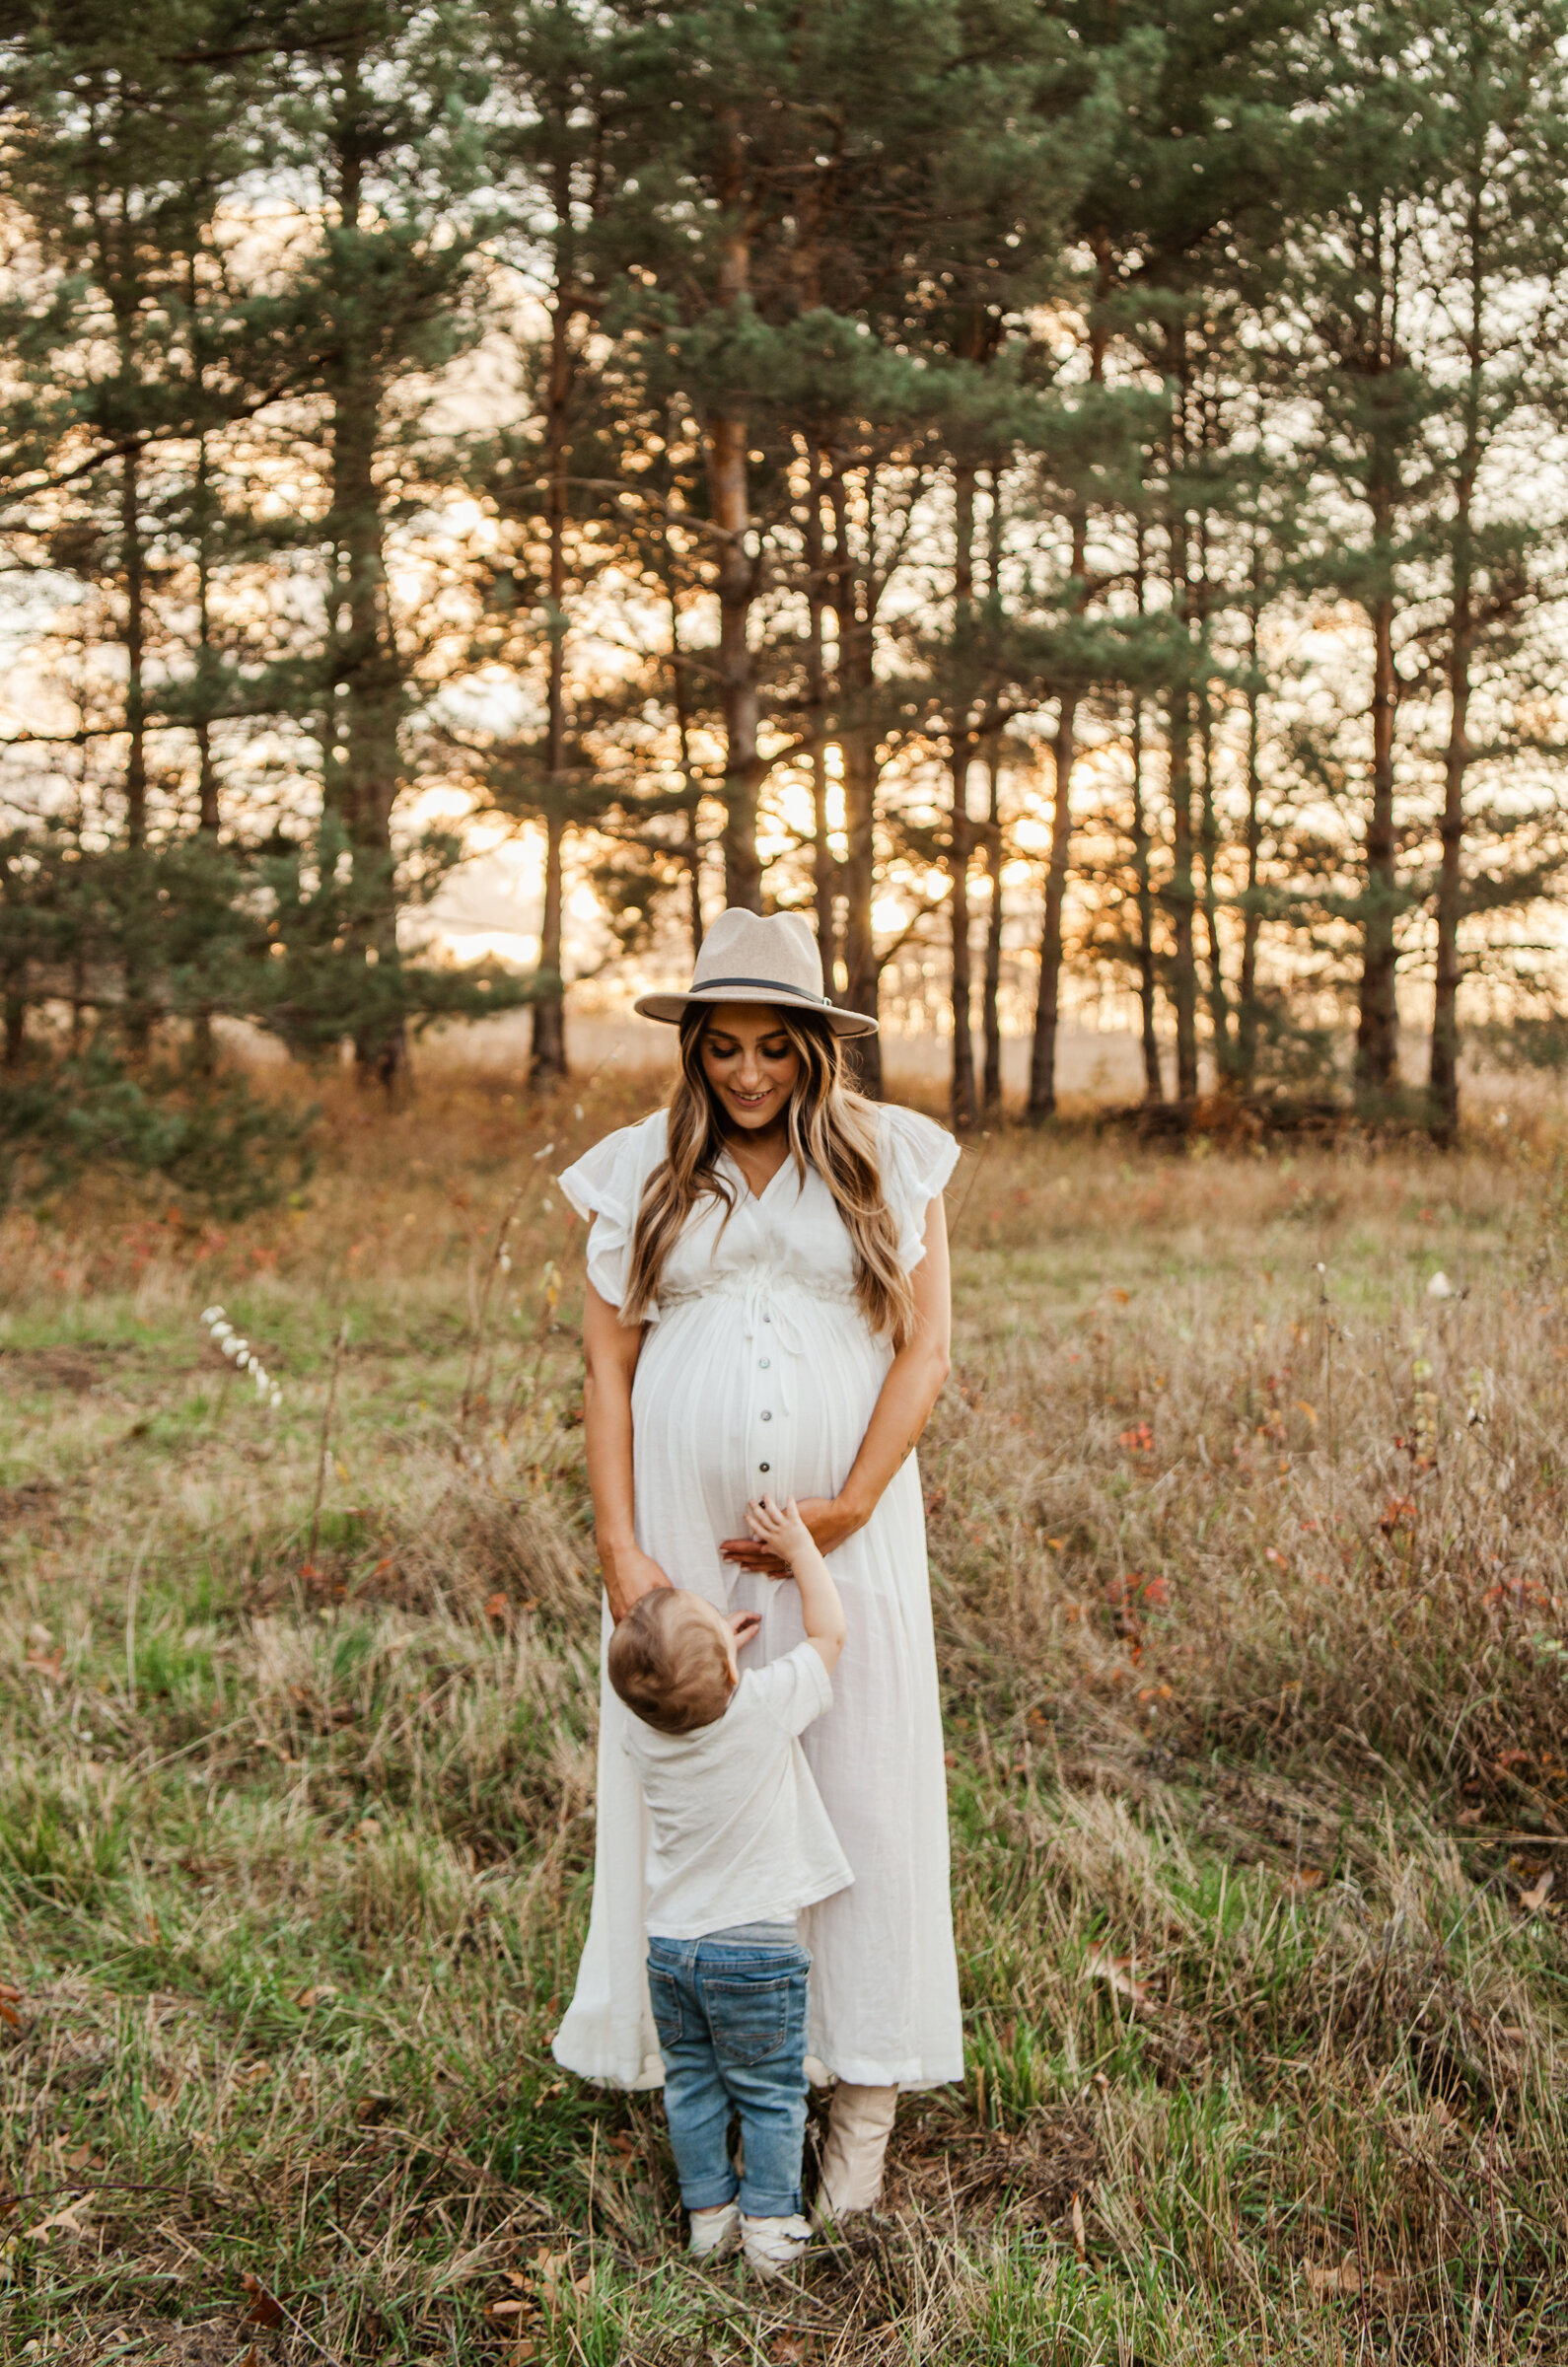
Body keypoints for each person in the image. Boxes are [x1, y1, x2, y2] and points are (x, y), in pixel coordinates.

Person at [554, 905, 962, 2220]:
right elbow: (607, 1369)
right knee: (700, 1791)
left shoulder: (889, 1160)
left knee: (855, 1775)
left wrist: (844, 1508)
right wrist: (624, 1552)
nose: (743, 1074)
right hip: (680, 1534)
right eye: (720, 1048)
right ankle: (707, 2079)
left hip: (845, 1542)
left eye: (771, 1049)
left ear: (814, 1051)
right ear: (692, 1051)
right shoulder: (636, 1172)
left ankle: (861, 2094)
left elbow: (925, 1352)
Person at [608, 1493, 850, 2273]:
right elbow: (828, 1633)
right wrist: (802, 1548)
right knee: (770, 2094)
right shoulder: (763, 1708)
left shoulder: (642, 1738)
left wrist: (710, 1653)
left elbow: (674, 1692)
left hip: (673, 1949)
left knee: (694, 2090)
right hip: (754, 1950)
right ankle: (773, 2229)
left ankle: (709, 2216)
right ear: (728, 1665)